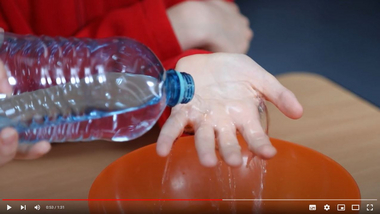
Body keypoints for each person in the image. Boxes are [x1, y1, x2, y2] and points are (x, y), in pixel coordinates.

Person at [0, 0, 303, 167]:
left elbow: (169, 69)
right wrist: (176, 25)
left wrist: (193, 58)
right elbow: (21, 79)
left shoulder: (150, 80)